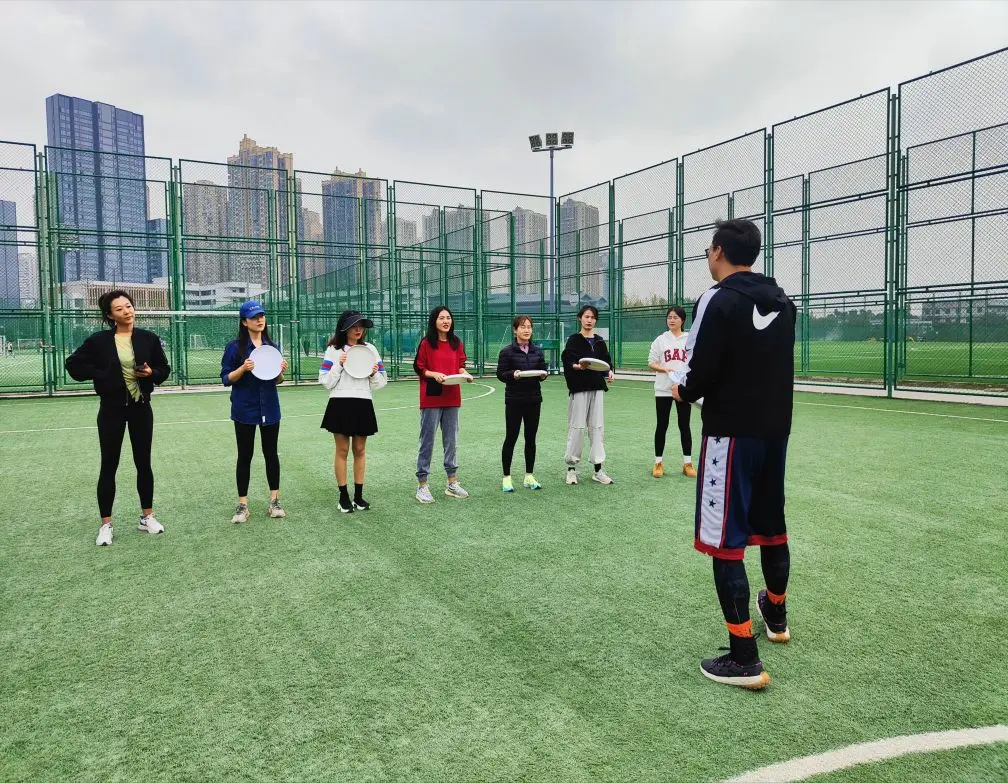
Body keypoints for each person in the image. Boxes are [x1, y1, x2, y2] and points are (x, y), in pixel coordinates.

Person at [671, 218, 797, 690]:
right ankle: (776, 617)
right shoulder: (784, 302)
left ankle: (744, 656)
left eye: (709, 249)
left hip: (730, 435)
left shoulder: (716, 298)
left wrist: (684, 390)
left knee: (723, 541)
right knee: (771, 526)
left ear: (719, 252)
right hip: (774, 434)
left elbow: (699, 370)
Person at [65, 289, 171, 546]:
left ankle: (147, 517)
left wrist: (151, 373)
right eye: (119, 308)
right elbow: (73, 365)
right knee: (109, 465)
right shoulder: (99, 341)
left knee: (143, 463)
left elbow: (164, 369)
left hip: (141, 407)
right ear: (110, 315)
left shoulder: (148, 338)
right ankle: (106, 524)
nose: (127, 311)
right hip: (111, 410)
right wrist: (101, 374)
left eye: (129, 306)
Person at [221, 300, 288, 523]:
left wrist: (281, 371)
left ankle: (275, 501)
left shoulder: (272, 347)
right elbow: (226, 378)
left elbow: (277, 380)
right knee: (245, 456)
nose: (260, 320)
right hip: (244, 408)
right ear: (244, 322)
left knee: (271, 454)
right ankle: (243, 505)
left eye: (261, 316)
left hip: (270, 407)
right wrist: (243, 368)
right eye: (254, 317)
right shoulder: (235, 347)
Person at [319, 310, 388, 513]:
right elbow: (325, 381)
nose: (358, 329)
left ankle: (358, 496)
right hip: (340, 403)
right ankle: (343, 497)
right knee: (342, 451)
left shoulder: (370, 350)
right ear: (344, 328)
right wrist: (339, 365)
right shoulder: (333, 350)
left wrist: (374, 374)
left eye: (361, 326)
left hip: (363, 402)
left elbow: (381, 382)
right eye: (353, 326)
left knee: (360, 450)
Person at [413, 305, 472, 503]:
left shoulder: (456, 342)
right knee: (427, 441)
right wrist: (434, 374)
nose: (446, 321)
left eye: (448, 318)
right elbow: (419, 368)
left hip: (452, 396)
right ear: (434, 321)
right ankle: (422, 485)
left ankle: (452, 483)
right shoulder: (426, 343)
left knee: (451, 440)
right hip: (431, 397)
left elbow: (460, 366)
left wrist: (465, 374)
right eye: (441, 318)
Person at [561, 304, 614, 485]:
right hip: (579, 389)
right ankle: (571, 469)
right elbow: (568, 361)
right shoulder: (574, 340)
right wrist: (578, 366)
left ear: (595, 320)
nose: (589, 320)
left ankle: (598, 470)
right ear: (580, 318)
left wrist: (609, 373)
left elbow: (606, 363)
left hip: (597, 389)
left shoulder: (599, 341)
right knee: (576, 428)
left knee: (597, 428)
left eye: (592, 317)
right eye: (586, 317)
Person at [495, 314, 548, 493]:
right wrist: (513, 374)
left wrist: (543, 375)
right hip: (514, 401)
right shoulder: (507, 352)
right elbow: (501, 374)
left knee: (531, 438)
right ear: (515, 330)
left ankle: (529, 476)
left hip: (534, 400)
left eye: (529, 327)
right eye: (523, 327)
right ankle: (506, 478)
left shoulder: (537, 351)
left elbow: (543, 370)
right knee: (511, 437)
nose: (527, 330)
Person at [648, 306, 697, 479]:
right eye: (669, 317)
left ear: (682, 320)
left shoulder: (689, 339)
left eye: (675, 317)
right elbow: (651, 363)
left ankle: (687, 463)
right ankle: (658, 463)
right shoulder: (660, 340)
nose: (672, 320)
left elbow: (695, 362)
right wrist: (665, 369)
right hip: (663, 389)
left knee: (684, 425)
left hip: (683, 389)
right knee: (662, 425)